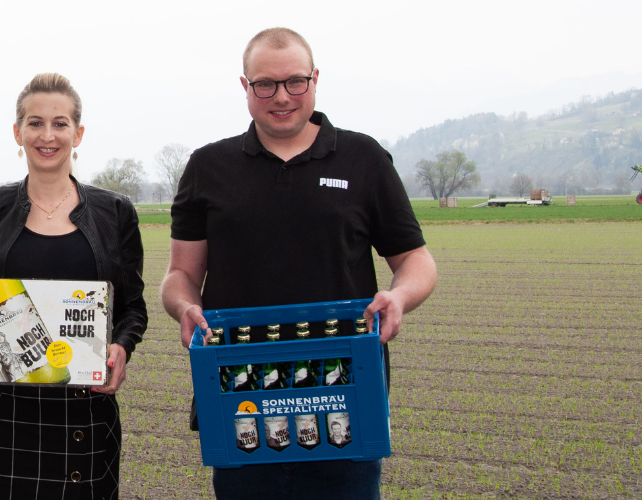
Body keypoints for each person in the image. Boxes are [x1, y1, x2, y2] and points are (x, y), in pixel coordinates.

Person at [160, 28, 437, 499]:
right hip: (240, 392)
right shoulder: (208, 166)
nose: (281, 96)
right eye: (265, 84)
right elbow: (180, 275)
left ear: (315, 80)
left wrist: (399, 297)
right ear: (245, 87)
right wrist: (185, 307)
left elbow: (416, 260)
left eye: (295, 82)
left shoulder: (363, 158)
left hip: (344, 389)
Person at [0, 72, 147, 499]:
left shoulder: (116, 212)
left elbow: (133, 309)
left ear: (78, 133)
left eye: (60, 123)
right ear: (17, 133)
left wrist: (122, 347)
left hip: (86, 413)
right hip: (5, 415)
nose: (47, 135)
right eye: (35, 123)